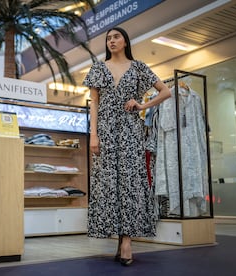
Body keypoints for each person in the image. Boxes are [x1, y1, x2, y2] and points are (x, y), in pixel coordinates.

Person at [83, 26, 171, 266]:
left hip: (131, 133)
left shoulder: (139, 67)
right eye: (108, 38)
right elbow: (94, 104)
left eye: (116, 37)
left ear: (125, 41)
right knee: (109, 184)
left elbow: (166, 92)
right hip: (106, 133)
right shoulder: (98, 68)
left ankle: (127, 242)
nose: (111, 41)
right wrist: (93, 135)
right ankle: (119, 238)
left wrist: (143, 106)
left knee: (131, 183)